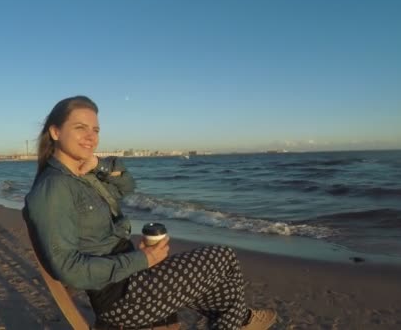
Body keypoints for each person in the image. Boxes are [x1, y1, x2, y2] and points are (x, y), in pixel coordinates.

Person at [23, 96, 276, 330]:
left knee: (222, 291)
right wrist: (144, 260)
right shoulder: (53, 189)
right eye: (80, 127)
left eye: (96, 130)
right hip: (121, 298)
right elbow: (69, 270)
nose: (91, 136)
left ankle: (240, 319)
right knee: (224, 258)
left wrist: (98, 165)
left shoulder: (83, 176)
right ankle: (241, 320)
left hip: (130, 279)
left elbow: (128, 186)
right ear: (55, 132)